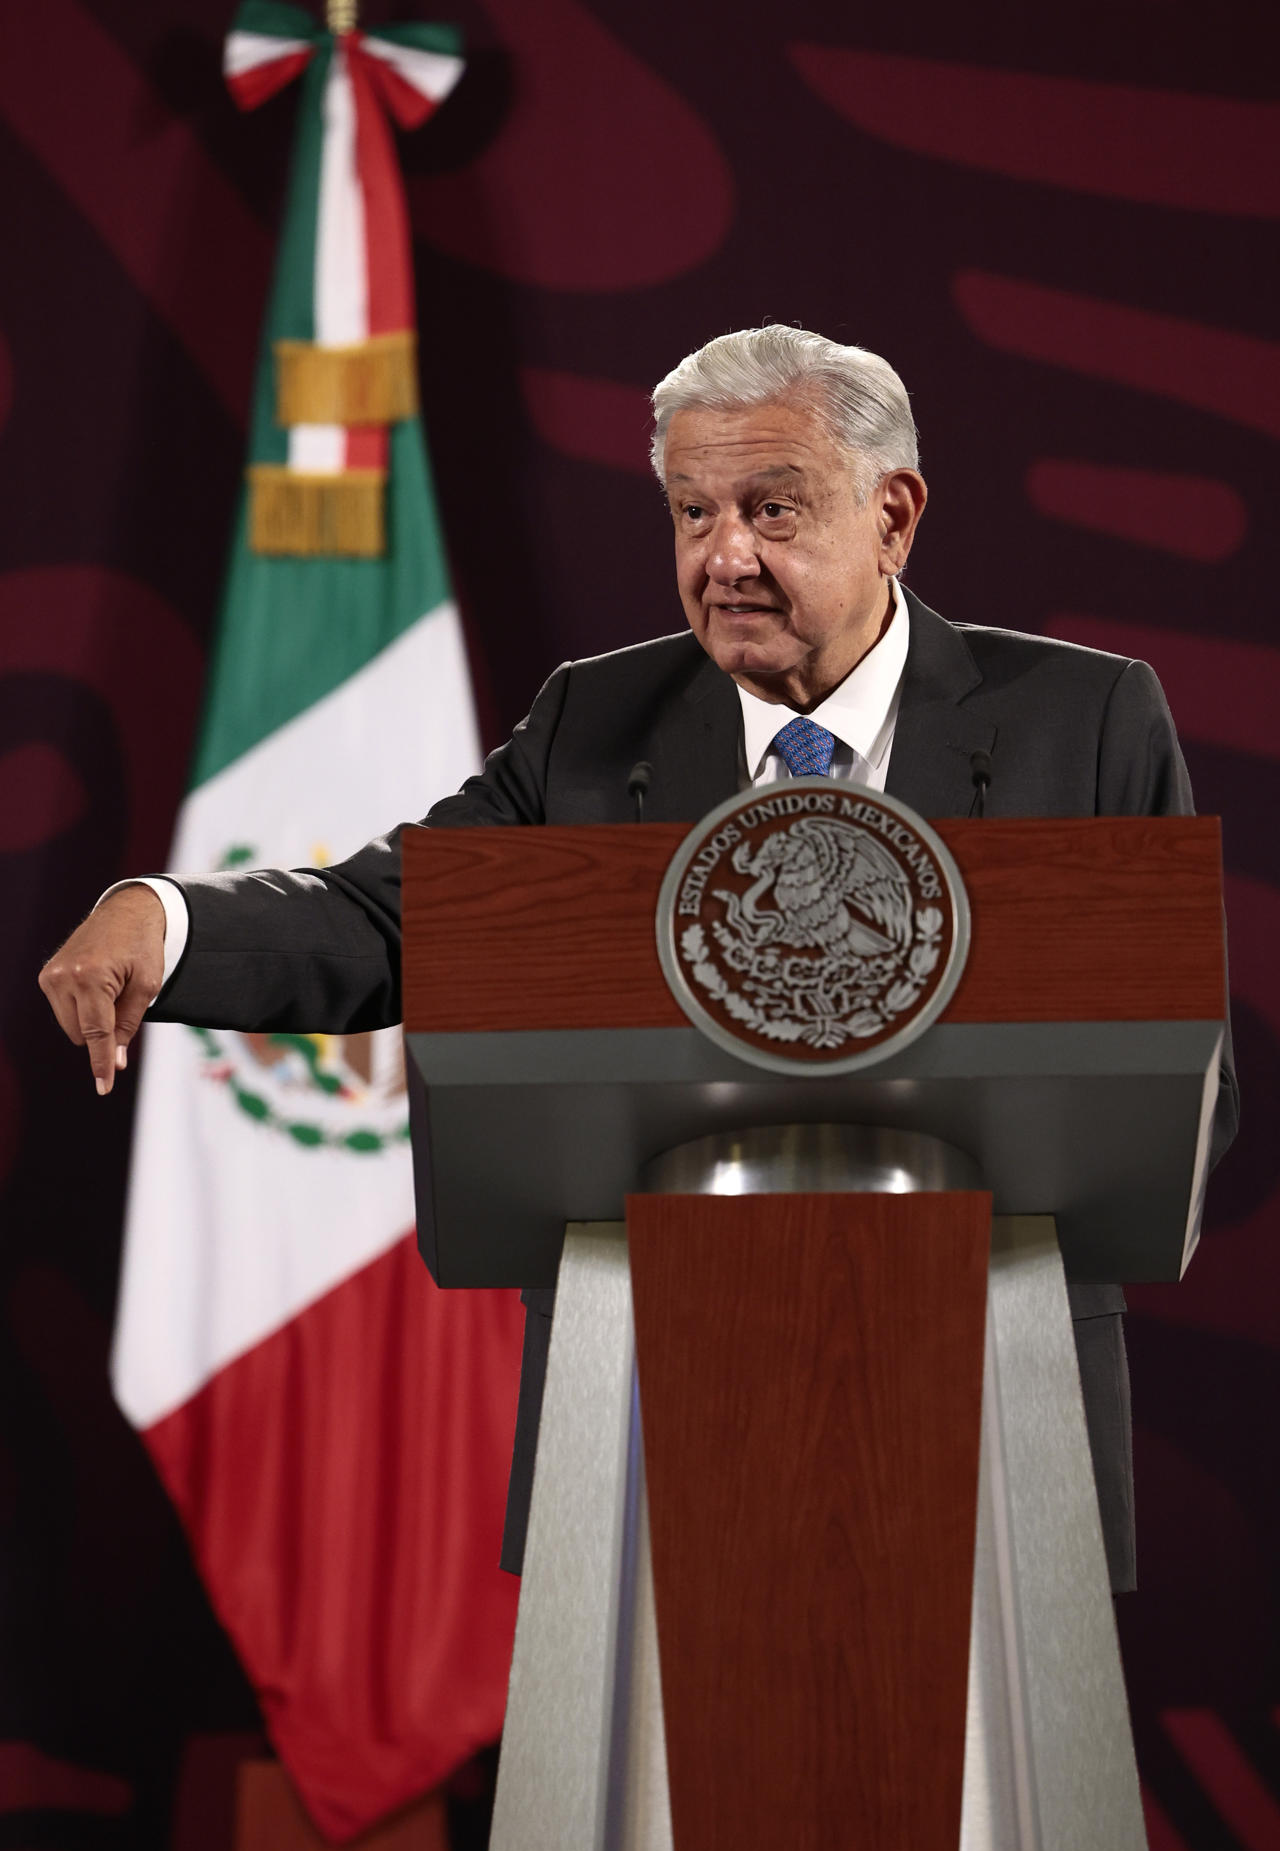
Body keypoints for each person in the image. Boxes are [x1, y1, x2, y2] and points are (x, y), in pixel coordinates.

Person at [39, 324, 1237, 1591]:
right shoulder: (592, 726)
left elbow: (1175, 1079)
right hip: (649, 1389)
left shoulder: (1084, 718)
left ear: (892, 514)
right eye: (690, 512)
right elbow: (399, 920)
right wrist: (162, 918)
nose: (724, 558)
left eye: (772, 509)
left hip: (995, 1380)